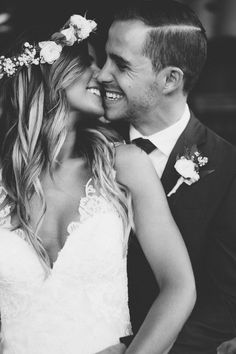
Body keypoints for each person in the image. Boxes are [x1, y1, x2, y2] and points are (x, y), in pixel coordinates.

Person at [0, 12, 195, 354]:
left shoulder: (125, 165)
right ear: (48, 69)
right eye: (89, 62)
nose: (103, 75)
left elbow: (179, 286)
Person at [97, 1, 236, 353]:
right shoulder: (84, 145)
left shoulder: (228, 168)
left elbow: (225, 304)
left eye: (122, 64)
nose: (101, 74)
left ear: (171, 79)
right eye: (105, 57)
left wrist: (133, 348)